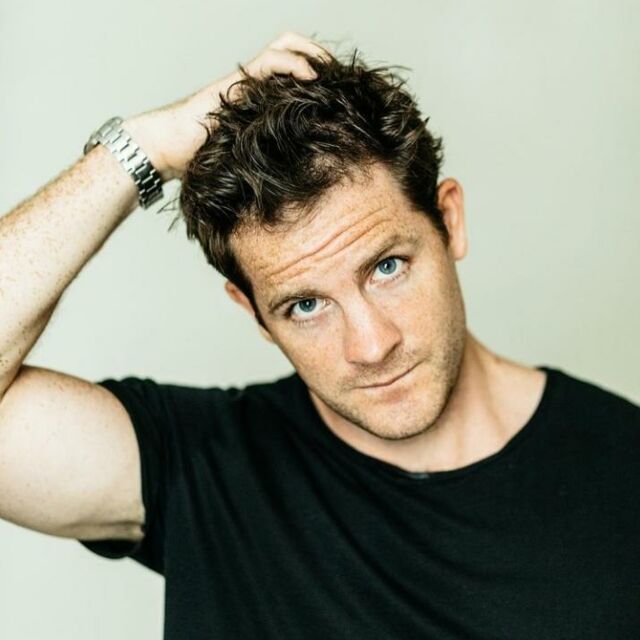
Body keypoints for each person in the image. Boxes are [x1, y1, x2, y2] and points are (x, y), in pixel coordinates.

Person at [0, 30, 638, 640]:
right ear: (254, 313)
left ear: (450, 221)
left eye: (387, 268)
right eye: (306, 305)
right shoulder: (203, 467)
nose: (371, 345)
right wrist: (148, 147)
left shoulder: (623, 468)